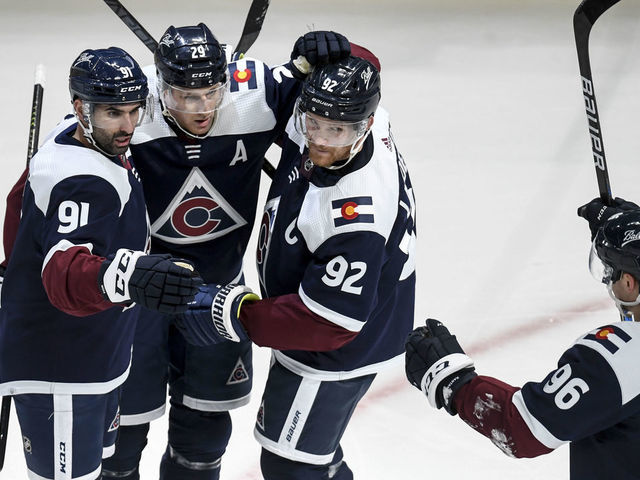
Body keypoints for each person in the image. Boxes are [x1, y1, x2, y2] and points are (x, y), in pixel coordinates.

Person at [100, 24, 352, 480]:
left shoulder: (254, 95)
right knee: (120, 440)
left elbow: (327, 100)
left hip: (219, 290)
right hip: (140, 297)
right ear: (160, 87)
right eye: (184, 97)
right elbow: (65, 166)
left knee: (203, 437)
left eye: (211, 94)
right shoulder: (131, 107)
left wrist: (314, 52)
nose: (201, 109)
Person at [175, 54, 417, 479]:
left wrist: (234, 312)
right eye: (313, 123)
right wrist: (325, 51)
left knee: (290, 464)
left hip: (337, 348)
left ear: (366, 124)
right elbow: (364, 64)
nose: (320, 140)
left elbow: (330, 323)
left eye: (337, 130)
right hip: (338, 318)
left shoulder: (355, 214)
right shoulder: (353, 112)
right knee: (309, 451)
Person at [0, 47, 200, 480]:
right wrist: (127, 274)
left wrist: (14, 263)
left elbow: (18, 204)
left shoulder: (69, 132)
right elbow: (64, 274)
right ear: (81, 107)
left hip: (94, 351)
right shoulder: (82, 183)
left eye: (134, 110)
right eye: (113, 113)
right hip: (63, 367)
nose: (128, 126)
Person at [404, 208, 640, 479]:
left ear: (629, 283)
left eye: (611, 272)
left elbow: (524, 428)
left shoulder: (615, 361)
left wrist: (454, 383)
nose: (608, 279)